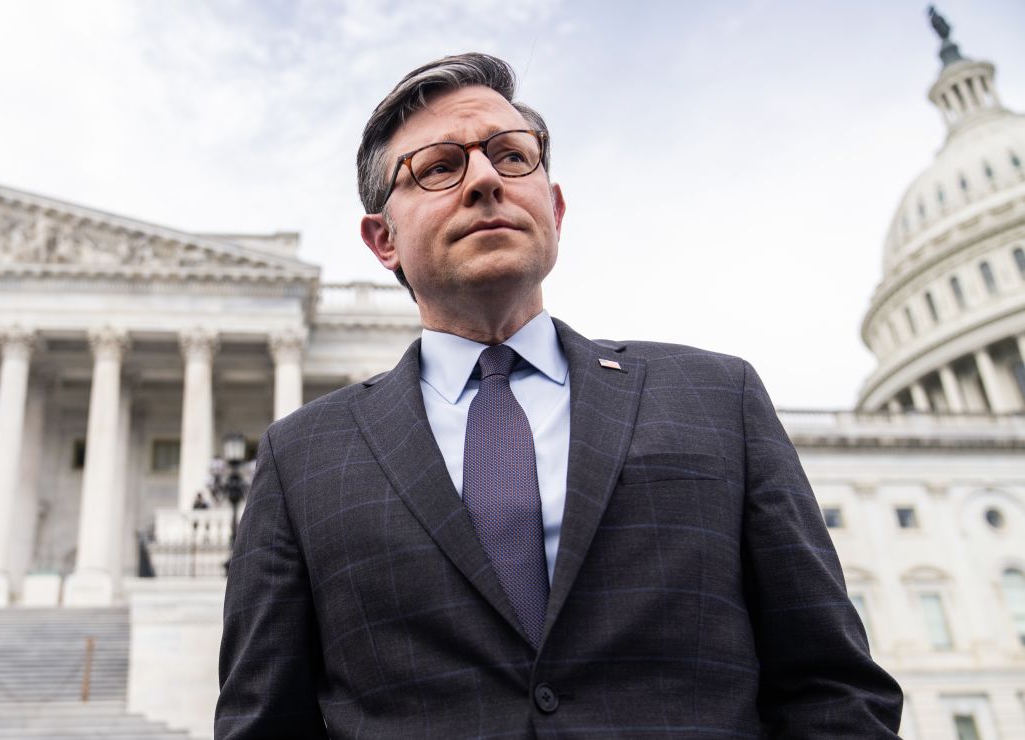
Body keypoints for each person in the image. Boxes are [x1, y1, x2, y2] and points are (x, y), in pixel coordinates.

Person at [216, 52, 902, 738]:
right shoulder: (301, 456)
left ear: (556, 207)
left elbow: (831, 687)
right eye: (439, 167)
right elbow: (264, 721)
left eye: (513, 157)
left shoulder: (717, 397)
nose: (485, 179)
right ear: (382, 240)